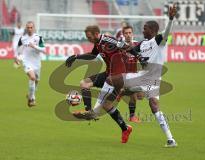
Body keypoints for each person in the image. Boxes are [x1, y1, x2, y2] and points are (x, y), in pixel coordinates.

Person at [79, 4, 178, 147]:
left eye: (145, 28)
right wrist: (117, 46)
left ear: (153, 30)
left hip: (153, 79)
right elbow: (128, 50)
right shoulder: (142, 44)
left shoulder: (158, 41)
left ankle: (170, 139)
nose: (143, 30)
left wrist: (170, 19)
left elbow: (167, 32)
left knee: (154, 106)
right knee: (109, 95)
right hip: (140, 77)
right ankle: (108, 113)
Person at [65, 25, 148, 143]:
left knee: (99, 109)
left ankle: (92, 113)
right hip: (108, 73)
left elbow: (126, 46)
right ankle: (125, 128)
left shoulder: (107, 40)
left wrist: (139, 57)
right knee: (86, 85)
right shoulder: (98, 44)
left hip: (117, 76)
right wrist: (76, 56)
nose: (88, 39)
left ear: (96, 34)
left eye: (89, 37)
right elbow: (93, 56)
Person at [16, 21, 46, 107]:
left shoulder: (38, 38)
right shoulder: (22, 38)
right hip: (27, 61)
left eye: (31, 27)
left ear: (34, 28)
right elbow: (18, 48)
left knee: (36, 81)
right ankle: (32, 99)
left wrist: (34, 46)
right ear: (26, 28)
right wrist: (17, 57)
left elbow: (44, 50)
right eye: (28, 27)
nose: (29, 29)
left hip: (37, 62)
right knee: (32, 78)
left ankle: (30, 95)